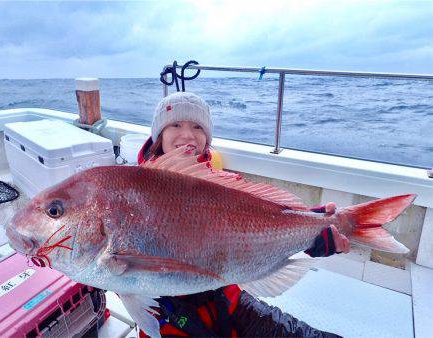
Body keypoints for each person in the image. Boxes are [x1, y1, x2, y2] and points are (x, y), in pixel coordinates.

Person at [136, 91, 350, 338]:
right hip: (169, 321)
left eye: (197, 126)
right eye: (175, 124)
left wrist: (310, 227)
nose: (187, 135)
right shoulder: (131, 192)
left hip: (230, 301)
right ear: (159, 134)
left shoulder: (226, 184)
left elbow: (263, 222)